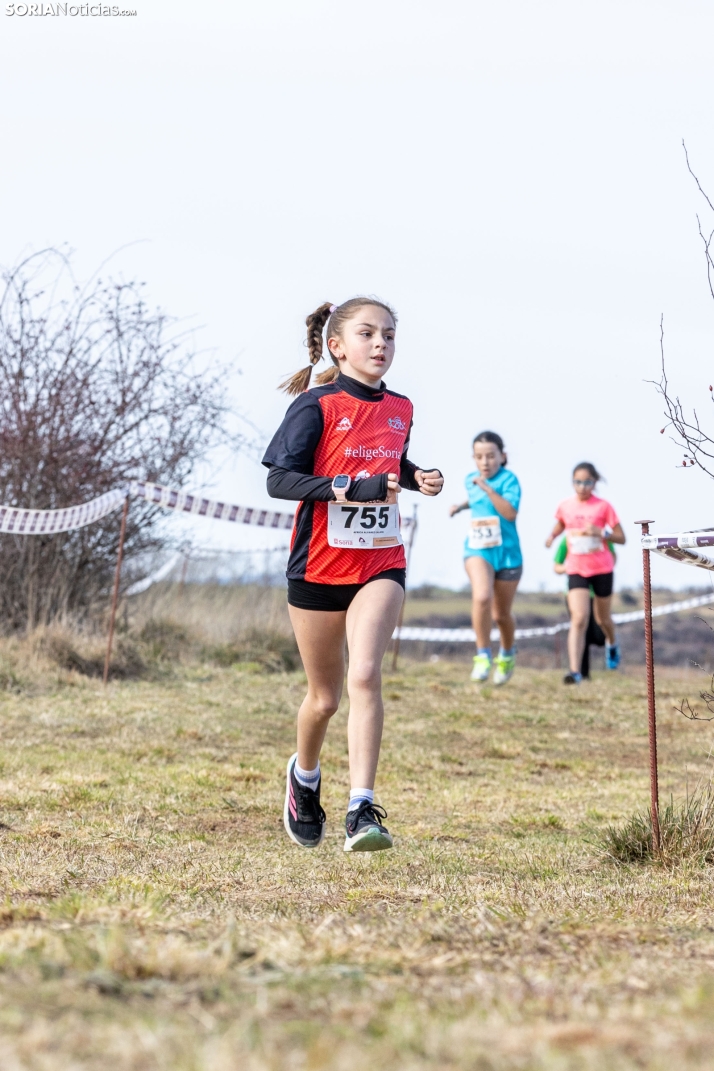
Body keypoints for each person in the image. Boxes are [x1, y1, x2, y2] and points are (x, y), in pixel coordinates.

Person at [263, 298, 443, 853]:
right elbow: (280, 481)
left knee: (365, 674)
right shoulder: (315, 406)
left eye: (389, 335)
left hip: (378, 562)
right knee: (324, 699)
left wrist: (418, 477)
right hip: (318, 567)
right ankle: (305, 779)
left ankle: (362, 808)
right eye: (367, 334)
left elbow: (389, 464)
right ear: (337, 346)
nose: (381, 344)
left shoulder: (402, 407)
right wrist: (345, 487)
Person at [449, 431, 522, 685]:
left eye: (491, 456)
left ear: (502, 456)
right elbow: (475, 500)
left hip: (508, 556)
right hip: (478, 549)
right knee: (482, 596)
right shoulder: (471, 479)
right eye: (479, 457)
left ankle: (508, 653)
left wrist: (488, 489)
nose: (485, 462)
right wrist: (459, 507)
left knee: (501, 615)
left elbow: (509, 513)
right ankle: (482, 655)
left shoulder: (509, 480)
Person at [545, 462, 625, 685]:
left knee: (602, 618)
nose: (582, 486)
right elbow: (561, 523)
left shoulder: (603, 507)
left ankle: (612, 642)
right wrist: (552, 537)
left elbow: (621, 537)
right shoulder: (565, 505)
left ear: (594, 483)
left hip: (602, 568)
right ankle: (575, 671)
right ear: (572, 482)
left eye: (587, 482)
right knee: (579, 618)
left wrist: (601, 532)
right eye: (577, 482)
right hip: (576, 568)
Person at [553, 536, 615, 678]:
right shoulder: (568, 538)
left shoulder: (602, 535)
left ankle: (611, 643)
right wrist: (570, 568)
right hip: (575, 593)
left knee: (599, 635)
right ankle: (580, 673)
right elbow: (556, 566)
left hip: (597, 594)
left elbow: (613, 556)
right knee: (581, 630)